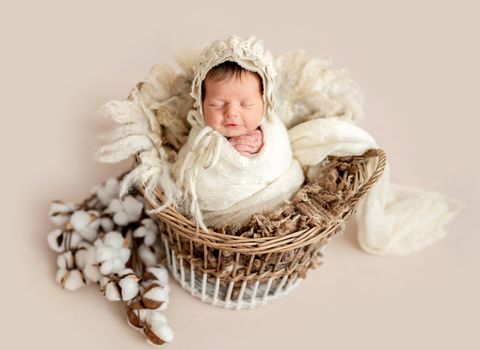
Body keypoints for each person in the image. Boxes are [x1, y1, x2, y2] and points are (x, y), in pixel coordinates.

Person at [201, 61, 264, 158]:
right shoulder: (200, 136)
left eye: (247, 104)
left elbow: (282, 157)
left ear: (265, 104)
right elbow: (185, 166)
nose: (231, 113)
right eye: (217, 104)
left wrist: (263, 148)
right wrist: (223, 154)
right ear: (201, 104)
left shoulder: (271, 131)